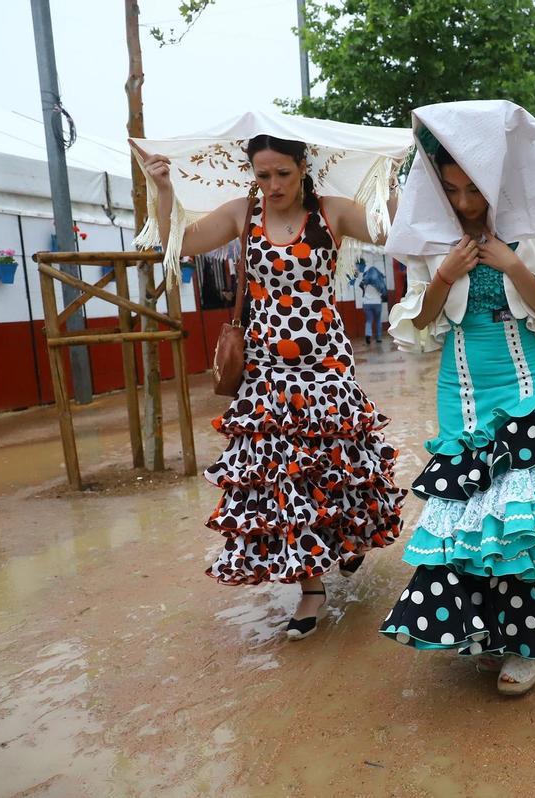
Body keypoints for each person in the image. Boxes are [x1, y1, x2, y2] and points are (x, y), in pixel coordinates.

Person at [137, 133, 407, 639]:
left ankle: (346, 542)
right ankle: (310, 587)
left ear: (303, 166)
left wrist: (389, 183)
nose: (273, 184)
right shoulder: (244, 213)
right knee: (283, 476)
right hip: (264, 370)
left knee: (333, 464)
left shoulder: (332, 212)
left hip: (326, 365)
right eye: (263, 175)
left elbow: (395, 235)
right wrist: (165, 190)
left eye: (282, 173)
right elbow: (182, 242)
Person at [382, 101, 535, 695]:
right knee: (468, 516)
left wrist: (512, 264)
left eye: (474, 190)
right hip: (460, 392)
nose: (465, 203)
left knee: (515, 516)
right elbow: (419, 331)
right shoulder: (430, 238)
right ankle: (484, 634)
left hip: (524, 386)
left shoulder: (533, 231)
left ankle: (526, 645)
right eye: (451, 190)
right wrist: (445, 275)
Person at [359, 264, 387, 344]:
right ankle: (378, 337)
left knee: (369, 321)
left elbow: (361, 288)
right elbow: (384, 292)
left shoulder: (365, 281)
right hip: (377, 303)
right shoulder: (379, 281)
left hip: (367, 303)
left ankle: (368, 335)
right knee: (378, 321)